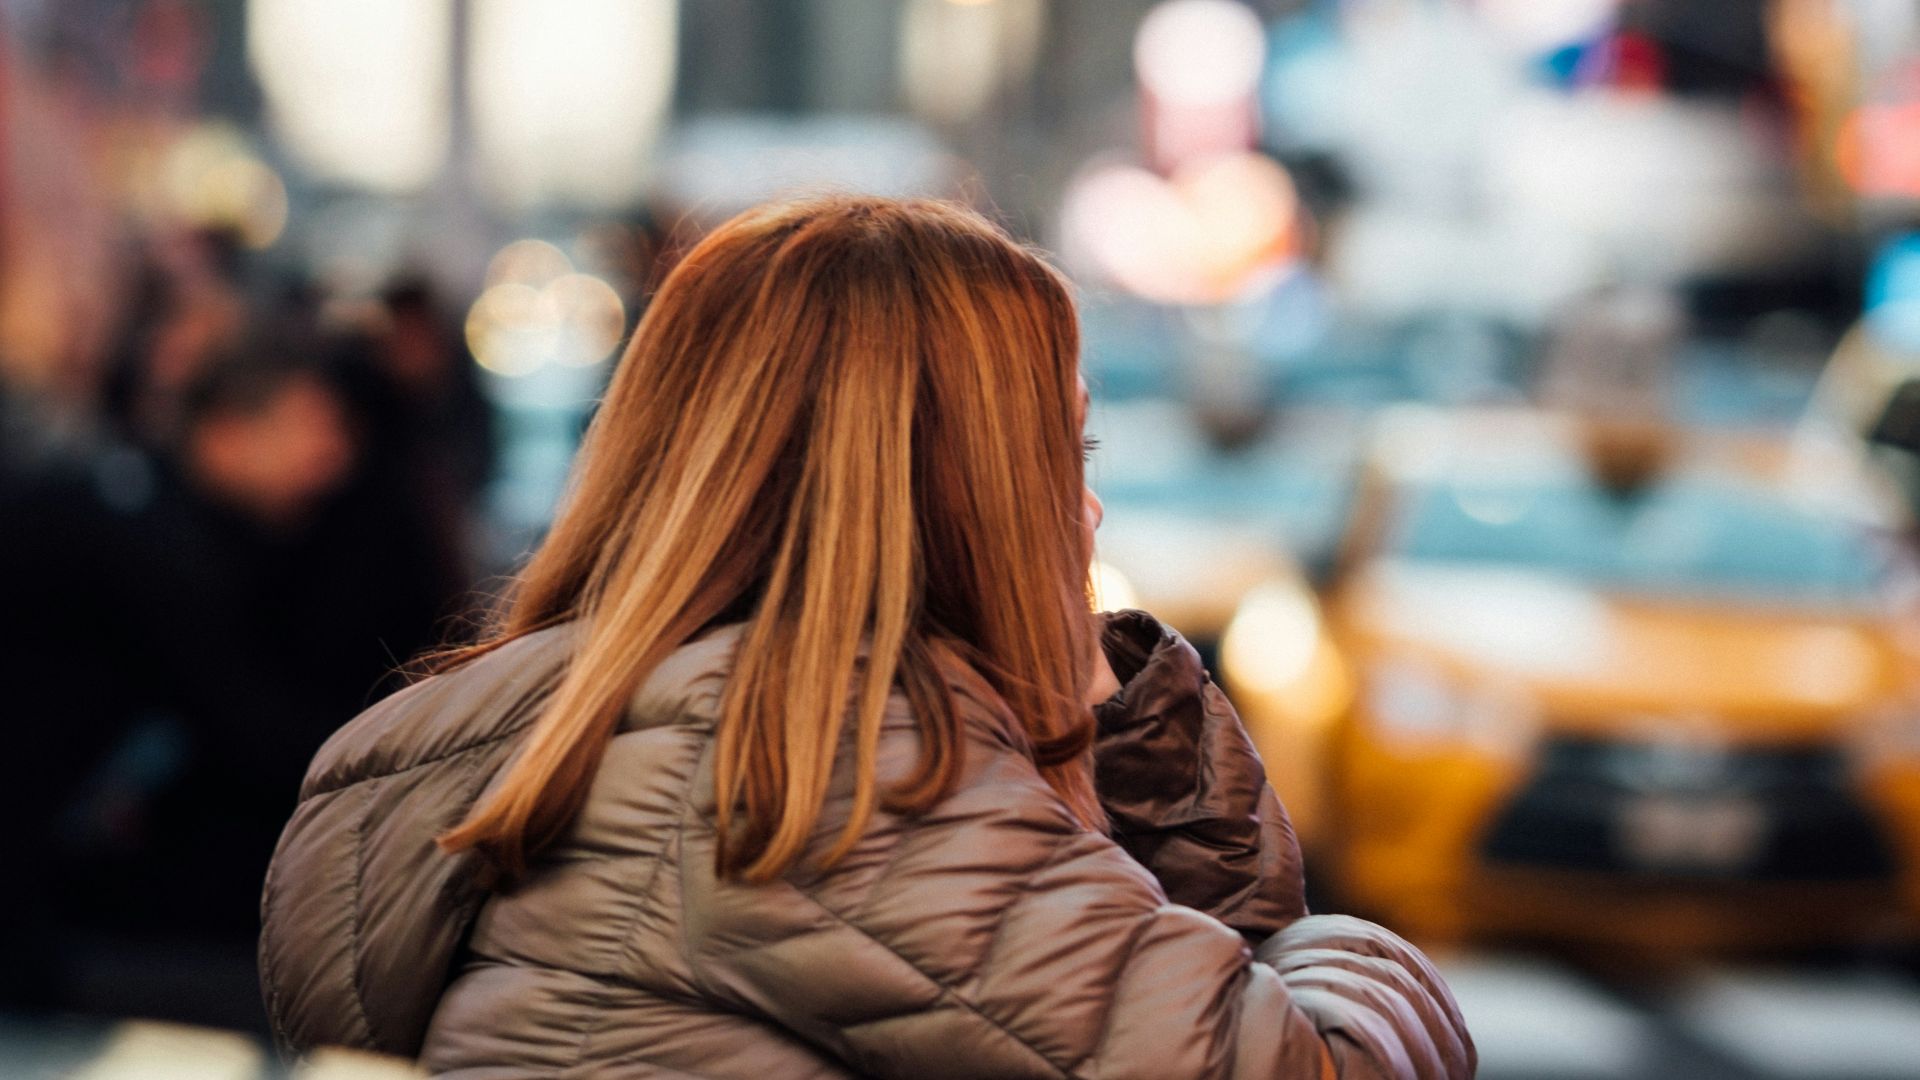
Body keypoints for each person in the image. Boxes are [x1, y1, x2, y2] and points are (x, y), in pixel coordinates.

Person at [259, 197, 1474, 1079]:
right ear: (964, 481)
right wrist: (1344, 953)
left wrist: (1105, 709)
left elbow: (1181, 963)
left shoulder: (647, 723)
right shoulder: (825, 777)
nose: (1085, 506)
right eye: (1062, 454)